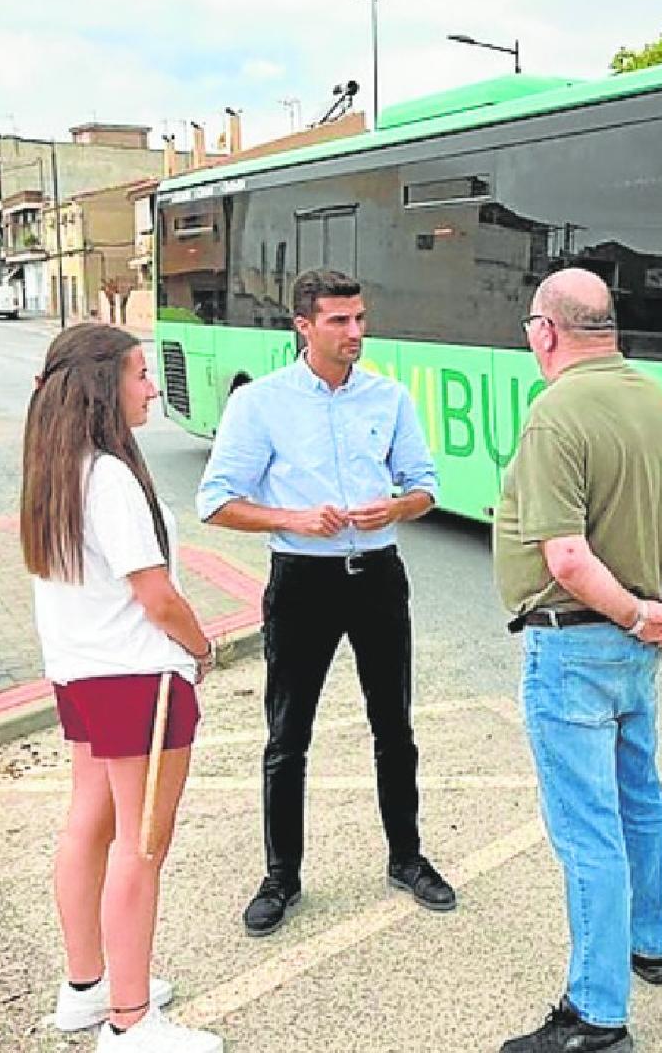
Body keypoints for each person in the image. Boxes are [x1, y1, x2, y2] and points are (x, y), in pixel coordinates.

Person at [195, 268, 455, 937]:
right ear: (303, 327)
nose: (355, 333)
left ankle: (407, 857)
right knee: (288, 736)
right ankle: (282, 876)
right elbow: (217, 502)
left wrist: (396, 506)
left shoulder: (388, 398)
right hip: (302, 580)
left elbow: (425, 487)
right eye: (340, 321)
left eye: (361, 318)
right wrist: (295, 518)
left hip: (377, 574)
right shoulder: (261, 404)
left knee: (394, 728)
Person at [493, 268, 662, 1053]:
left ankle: (596, 1015)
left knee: (587, 831)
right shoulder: (658, 399)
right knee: (639, 796)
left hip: (575, 640)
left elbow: (569, 556)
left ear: (546, 331)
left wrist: (640, 612)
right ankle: (652, 944)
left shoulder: (555, 416)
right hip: (634, 649)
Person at [22, 323, 221, 1052]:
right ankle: (131, 1021)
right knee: (141, 846)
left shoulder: (55, 466)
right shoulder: (108, 475)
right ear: (105, 385)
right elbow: (156, 594)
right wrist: (202, 647)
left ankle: (86, 988)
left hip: (80, 671)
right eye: (139, 374)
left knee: (89, 826)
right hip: (137, 675)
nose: (150, 387)